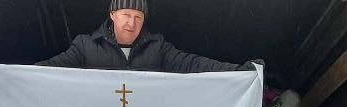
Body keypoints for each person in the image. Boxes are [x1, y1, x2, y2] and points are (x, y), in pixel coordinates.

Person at [37, 1, 243, 73]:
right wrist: (17, 76)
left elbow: (194, 64)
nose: (132, 23)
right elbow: (50, 69)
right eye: (126, 15)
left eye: (138, 17)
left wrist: (239, 71)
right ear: (112, 15)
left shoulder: (157, 47)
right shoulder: (85, 46)